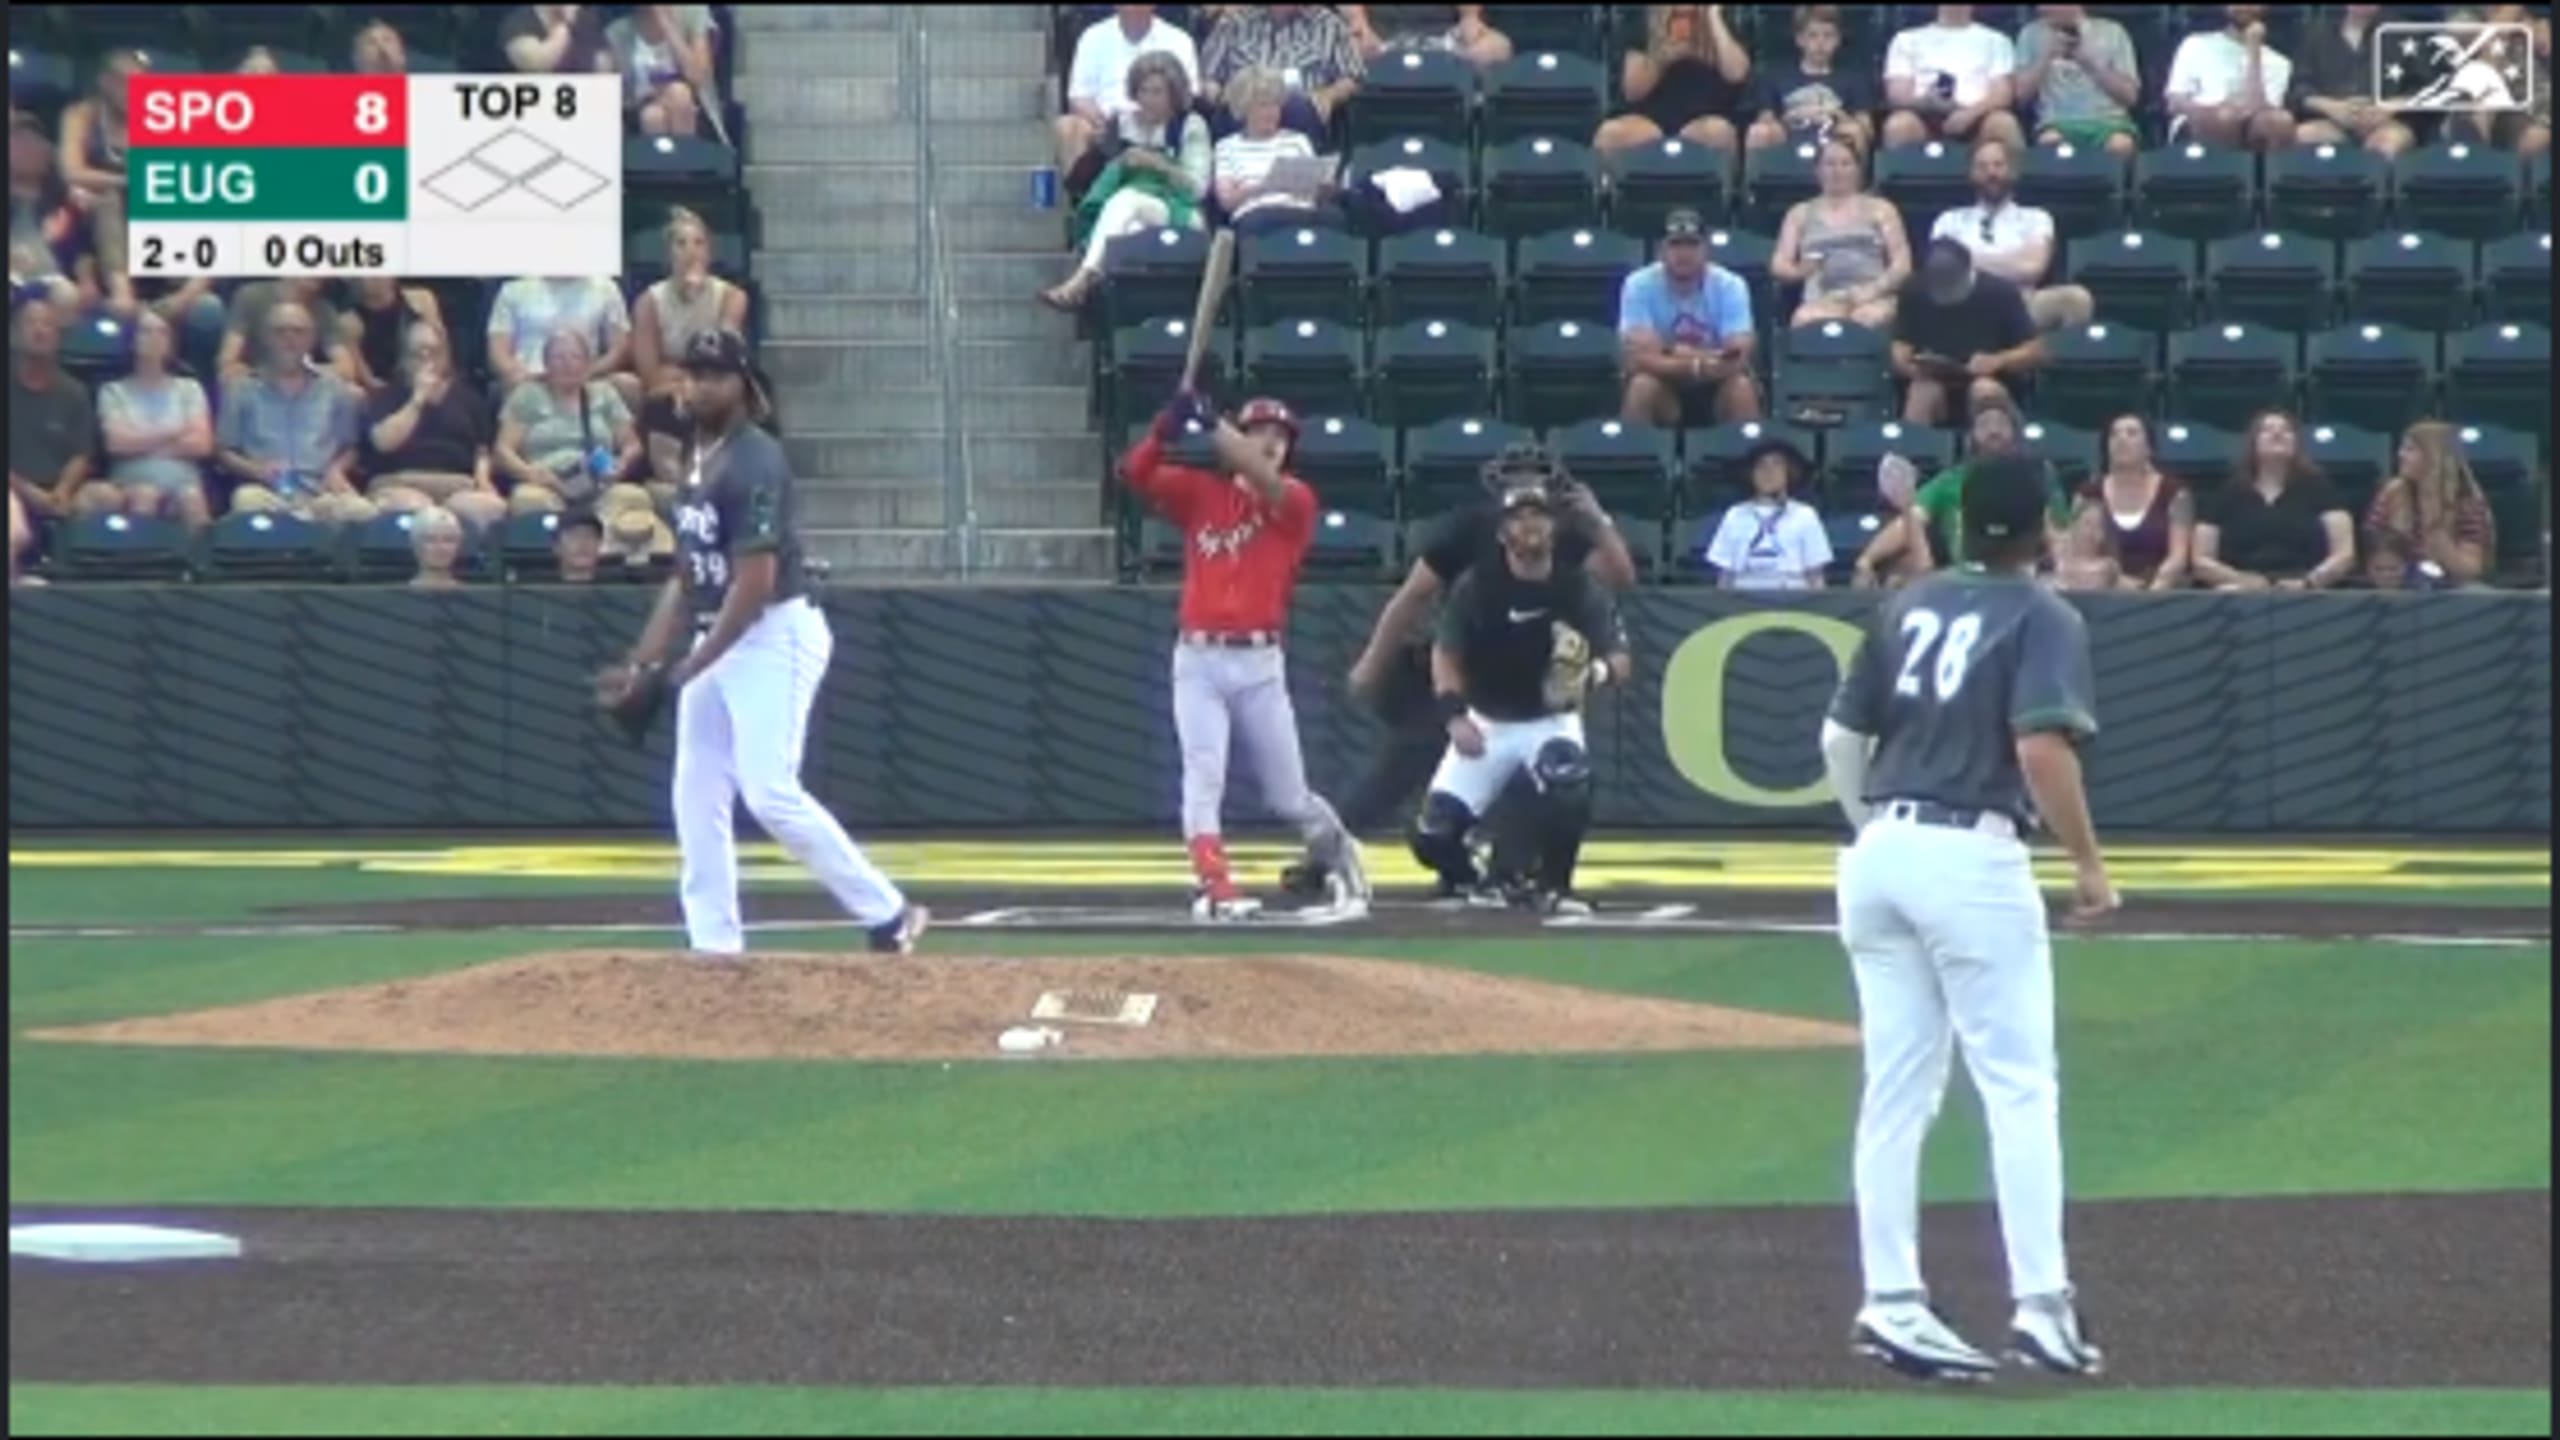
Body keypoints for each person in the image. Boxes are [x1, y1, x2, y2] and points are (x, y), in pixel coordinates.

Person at [1821, 450, 2114, 1384]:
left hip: (1881, 850)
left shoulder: (1906, 603)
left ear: (1958, 524)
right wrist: (2088, 865)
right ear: (2041, 530)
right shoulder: (2043, 613)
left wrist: (1873, 828)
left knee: (1896, 1086)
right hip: (1971, 853)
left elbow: (1839, 735)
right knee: (2019, 1083)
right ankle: (2040, 1306)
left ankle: (1893, 1299)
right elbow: (2040, 748)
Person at [596, 329, 929, 959]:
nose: (698, 385)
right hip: (720, 634)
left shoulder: (755, 460)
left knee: (769, 790)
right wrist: (644, 659)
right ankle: (714, 945)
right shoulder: (699, 455)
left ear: (743, 385)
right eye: (692, 373)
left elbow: (755, 583)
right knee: (695, 793)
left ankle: (889, 912)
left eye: (714, 375)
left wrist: (693, 663)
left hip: (774, 632)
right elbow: (689, 572)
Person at [1292, 441, 1637, 905]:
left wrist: (1598, 522)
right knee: (1414, 780)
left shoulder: (1572, 544)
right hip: (1472, 681)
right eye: (1517, 504)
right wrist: (1380, 665)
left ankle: (1523, 875)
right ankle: (1344, 857)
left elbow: (1619, 582)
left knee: (1552, 780)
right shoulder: (1470, 544)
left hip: (1541, 692)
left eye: (1537, 502)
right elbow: (1416, 602)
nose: (1528, 514)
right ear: (1501, 522)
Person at [1119, 388, 1370, 921]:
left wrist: (1209, 422)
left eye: (1280, 437)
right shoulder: (1201, 494)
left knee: (1288, 795)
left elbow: (1265, 479)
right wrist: (1165, 429)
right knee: (1203, 773)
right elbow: (1135, 474)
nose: (1271, 443)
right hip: (1199, 658)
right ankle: (1213, 884)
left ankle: (1338, 853)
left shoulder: (1293, 500)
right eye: (1260, 432)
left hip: (1259, 663)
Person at [1412, 477, 1634, 917]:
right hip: (1488, 721)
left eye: (1539, 516)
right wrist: (1454, 716)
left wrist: (1594, 673)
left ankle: (1556, 886)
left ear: (1554, 529)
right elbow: (1446, 653)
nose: (1530, 526)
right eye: (1518, 517)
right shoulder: (1477, 587)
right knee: (1432, 835)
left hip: (1550, 720)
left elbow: (1622, 658)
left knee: (1568, 782)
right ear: (1501, 533)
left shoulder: (1576, 587)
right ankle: (1472, 879)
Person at [1042, 52, 1212, 311]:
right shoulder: (1122, 124)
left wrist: (1158, 165)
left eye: (1158, 92)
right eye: (1144, 91)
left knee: (1126, 200)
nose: (1150, 100)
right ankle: (1125, 322)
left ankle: (1080, 281)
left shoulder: (1190, 126)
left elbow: (1198, 189)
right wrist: (1105, 152)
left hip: (1178, 209)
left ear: (1174, 94)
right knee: (1128, 230)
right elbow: (1081, 179)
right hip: (1127, 213)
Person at [1853, 397, 2065, 584]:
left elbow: (2058, 535)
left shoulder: (2038, 477)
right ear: (1971, 435)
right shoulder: (1951, 481)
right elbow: (1913, 518)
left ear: (2014, 432)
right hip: (1964, 577)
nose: (1994, 431)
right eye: (1985, 425)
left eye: (2001, 424)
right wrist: (1868, 558)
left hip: (2023, 575)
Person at [217, 303, 371, 523]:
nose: (289, 339)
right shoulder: (241, 389)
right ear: (265, 337)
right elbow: (224, 451)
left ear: (311, 339)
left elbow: (350, 448)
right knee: (246, 500)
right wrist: (257, 470)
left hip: (322, 493)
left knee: (361, 511)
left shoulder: (334, 388)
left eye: (298, 332)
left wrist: (336, 469)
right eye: (280, 331)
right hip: (267, 492)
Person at [1930, 139, 2094, 332]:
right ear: (1971, 174)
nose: (1991, 173)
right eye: (1982, 167)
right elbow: (1945, 270)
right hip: (1964, 306)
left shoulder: (2036, 217)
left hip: (2021, 307)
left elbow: (2032, 268)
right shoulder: (1949, 220)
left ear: (2013, 170)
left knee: (2076, 298)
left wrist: (1968, 257)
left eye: (1998, 165)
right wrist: (2012, 261)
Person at [360, 320, 509, 530]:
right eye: (418, 353)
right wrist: (417, 400)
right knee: (416, 510)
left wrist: (483, 480)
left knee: (488, 508)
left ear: (446, 355)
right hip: (399, 482)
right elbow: (383, 442)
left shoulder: (469, 398)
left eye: (433, 351)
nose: (426, 359)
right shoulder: (388, 396)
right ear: (405, 358)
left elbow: (482, 450)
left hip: (457, 484)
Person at [1619, 209, 1762, 426]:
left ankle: (1753, 457)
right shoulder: (1638, 284)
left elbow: (1738, 355)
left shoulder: (1731, 285)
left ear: (1707, 250)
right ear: (1660, 250)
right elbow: (1639, 357)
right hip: (1663, 384)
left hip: (1718, 386)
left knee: (1741, 388)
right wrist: (1698, 364)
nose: (1683, 253)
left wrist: (1671, 352)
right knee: (1641, 386)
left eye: (1692, 245)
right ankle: (1631, 458)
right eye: (1675, 244)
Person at [2192, 410, 2357, 590]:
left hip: (2304, 592)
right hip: (2239, 593)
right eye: (2267, 430)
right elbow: (2202, 560)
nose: (2277, 434)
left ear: (2297, 443)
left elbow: (2344, 553)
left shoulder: (2320, 489)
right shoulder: (2227, 491)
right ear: (2253, 443)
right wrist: (2241, 580)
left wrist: (2309, 583)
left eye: (2286, 430)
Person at [494, 328, 649, 519]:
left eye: (575, 357)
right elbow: (503, 450)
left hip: (598, 482)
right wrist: (530, 473)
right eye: (558, 357)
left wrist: (622, 464)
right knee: (529, 502)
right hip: (545, 483)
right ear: (546, 364)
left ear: (587, 363)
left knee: (634, 498)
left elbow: (632, 445)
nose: (567, 364)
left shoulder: (605, 393)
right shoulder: (527, 395)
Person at [1890, 238, 2042, 427]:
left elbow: (2035, 350)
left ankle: (1995, 450)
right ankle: (1911, 452)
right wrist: (1910, 367)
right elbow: (1900, 344)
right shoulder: (1914, 290)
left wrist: (1999, 360)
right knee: (1922, 392)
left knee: (1985, 391)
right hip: (1935, 378)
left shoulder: (2000, 292)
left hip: (1989, 378)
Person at [93, 309, 215, 532]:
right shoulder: (113, 391)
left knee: (192, 498)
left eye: (162, 333)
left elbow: (201, 445)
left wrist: (143, 442)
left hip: (183, 483)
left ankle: (198, 564)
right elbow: (117, 443)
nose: (154, 339)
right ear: (132, 340)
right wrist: (175, 432)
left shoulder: (190, 389)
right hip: (131, 482)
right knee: (145, 495)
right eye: (146, 332)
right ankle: (139, 563)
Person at [1772, 138, 1912, 329]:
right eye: (1829, 164)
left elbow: (1902, 264)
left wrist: (1873, 290)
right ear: (1817, 170)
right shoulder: (1800, 213)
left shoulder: (1881, 209)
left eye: (1845, 164)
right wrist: (1799, 272)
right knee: (1805, 320)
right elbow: (1779, 263)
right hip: (1822, 298)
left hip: (1872, 296)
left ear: (1858, 170)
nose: (1837, 170)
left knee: (1867, 318)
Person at [1058, 5, 1203, 178]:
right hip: (1106, 123)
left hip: (1160, 120)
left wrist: (1149, 115)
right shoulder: (1092, 37)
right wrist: (1104, 124)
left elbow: (1189, 94)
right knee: (1068, 126)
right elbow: (1078, 97)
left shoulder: (1179, 39)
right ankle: (1086, 201)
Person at [1595, 5, 1752, 156]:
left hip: (1705, 115)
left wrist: (1714, 18)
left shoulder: (1722, 18)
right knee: (1611, 134)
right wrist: (1662, 58)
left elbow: (1737, 73)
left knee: (1718, 132)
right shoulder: (1642, 20)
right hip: (1650, 118)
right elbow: (1632, 91)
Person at [2063, 414, 2192, 590]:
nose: (2121, 439)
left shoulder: (2174, 493)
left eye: (2132, 433)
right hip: (2100, 592)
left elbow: (2178, 558)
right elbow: (2076, 553)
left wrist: (2151, 593)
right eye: (2114, 434)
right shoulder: (2087, 494)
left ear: (2149, 448)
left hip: (2160, 594)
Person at [1199, 4, 1364, 142]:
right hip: (1242, 111)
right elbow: (1208, 76)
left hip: (1300, 110)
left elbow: (1352, 76)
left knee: (1299, 109)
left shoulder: (1330, 25)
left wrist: (1329, 95)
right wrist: (1219, 95)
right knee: (1233, 111)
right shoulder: (1234, 23)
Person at [2364, 420, 2496, 591]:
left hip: (2451, 588)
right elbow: (2373, 544)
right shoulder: (2391, 494)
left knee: (2476, 591)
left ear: (2434, 456)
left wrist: (2435, 531)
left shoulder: (2467, 502)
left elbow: (2470, 569)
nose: (2400, 455)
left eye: (2410, 449)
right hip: (2396, 585)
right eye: (2402, 448)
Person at [633, 207, 749, 399]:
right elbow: (649, 374)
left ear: (709, 253)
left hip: (717, 387)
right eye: (681, 244)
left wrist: (678, 373)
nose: (691, 251)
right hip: (666, 390)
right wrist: (686, 384)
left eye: (699, 243)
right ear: (669, 255)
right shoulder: (648, 302)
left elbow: (723, 358)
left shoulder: (733, 297)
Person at [1881, 5, 2026, 152]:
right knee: (1899, 125)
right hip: (1924, 116)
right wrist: (1928, 102)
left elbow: (2002, 94)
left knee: (2004, 123)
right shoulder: (1906, 39)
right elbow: (1897, 94)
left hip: (1978, 117)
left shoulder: (1997, 40)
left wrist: (1969, 115)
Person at [1207, 68, 1328, 235]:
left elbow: (1318, 190)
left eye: (1275, 105)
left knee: (1332, 218)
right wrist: (1263, 186)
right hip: (1256, 214)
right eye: (1264, 105)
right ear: (1245, 108)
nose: (1271, 112)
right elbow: (1226, 201)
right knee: (1260, 222)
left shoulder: (1298, 140)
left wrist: (1322, 184)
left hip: (1301, 211)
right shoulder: (1227, 147)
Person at [2014, 6, 2144, 158]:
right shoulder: (2030, 34)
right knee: (2051, 142)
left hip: (2110, 122)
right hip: (2056, 122)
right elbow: (2020, 96)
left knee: (2120, 145)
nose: (2041, 8)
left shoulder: (2114, 32)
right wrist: (2046, 56)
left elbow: (2130, 96)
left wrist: (2091, 64)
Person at [7, 299, 95, 524]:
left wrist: (63, 490)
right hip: (14, 488)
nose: (40, 330)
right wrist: (29, 492)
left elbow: (81, 454)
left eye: (47, 324)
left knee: (104, 497)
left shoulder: (74, 391)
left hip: (58, 490)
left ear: (58, 336)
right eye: (32, 323)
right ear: (15, 334)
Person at [1704, 434, 1832, 588]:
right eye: (1761, 466)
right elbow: (1726, 575)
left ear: (1790, 472)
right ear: (1750, 474)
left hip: (1793, 601)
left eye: (1776, 465)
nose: (1768, 472)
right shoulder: (1735, 515)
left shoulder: (1805, 515)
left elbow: (1815, 575)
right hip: (1742, 602)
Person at [2164, 5, 2297, 151]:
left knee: (2279, 122)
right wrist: (2208, 112)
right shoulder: (2196, 44)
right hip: (2198, 123)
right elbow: (2174, 102)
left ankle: (2266, 173)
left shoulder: (2279, 62)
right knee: (2224, 117)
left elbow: (2262, 110)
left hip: (2251, 130)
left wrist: (2254, 51)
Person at [2295, 6, 2422, 158]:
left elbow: (2427, 88)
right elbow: (2298, 88)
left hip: (2390, 122)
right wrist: (2331, 107)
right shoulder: (2317, 34)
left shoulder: (2405, 34)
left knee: (2384, 145)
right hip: (2333, 120)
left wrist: (2387, 108)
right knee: (2302, 137)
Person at [1748, 6, 1877, 155]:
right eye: (1813, 36)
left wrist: (1836, 115)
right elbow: (1765, 119)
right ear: (1800, 39)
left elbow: (1866, 128)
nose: (1820, 43)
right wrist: (1793, 116)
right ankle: (1760, 177)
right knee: (1759, 132)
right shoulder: (1774, 76)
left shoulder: (1854, 77)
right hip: (1789, 136)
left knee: (1854, 131)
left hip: (1835, 142)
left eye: (1828, 36)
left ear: (1838, 40)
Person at [604, 4, 717, 138]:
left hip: (694, 113)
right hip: (641, 112)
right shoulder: (617, 32)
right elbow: (618, 97)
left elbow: (698, 77)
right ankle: (675, 157)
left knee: (678, 94)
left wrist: (667, 24)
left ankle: (685, 155)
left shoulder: (693, 12)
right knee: (653, 117)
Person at [339, 276, 445, 395]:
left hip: (432, 377)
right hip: (389, 392)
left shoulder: (421, 300)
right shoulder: (350, 321)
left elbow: (441, 345)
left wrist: (436, 377)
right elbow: (369, 380)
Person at [1339, 5, 1511, 69]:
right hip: (1381, 36)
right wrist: (1359, 24)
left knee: (1498, 47)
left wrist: (1470, 17)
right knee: (1343, 51)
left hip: (1444, 38)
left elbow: (1470, 16)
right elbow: (1355, 18)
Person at [407, 505, 467, 591]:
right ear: (414, 543)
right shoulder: (390, 598)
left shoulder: (477, 596)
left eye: (448, 540)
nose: (440, 547)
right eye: (430, 539)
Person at [555, 504, 605, 582]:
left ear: (599, 544)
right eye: (574, 536)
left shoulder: (619, 588)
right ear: (557, 546)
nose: (583, 543)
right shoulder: (539, 587)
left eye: (590, 535)